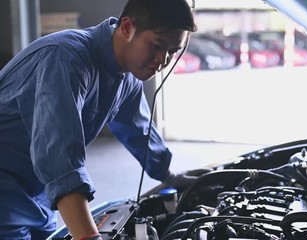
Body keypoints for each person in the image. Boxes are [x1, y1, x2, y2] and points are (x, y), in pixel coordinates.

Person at [0, 0, 198, 239]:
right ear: (127, 28)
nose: (163, 60)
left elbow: (138, 129)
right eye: (157, 46)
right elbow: (60, 160)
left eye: (172, 52)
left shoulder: (127, 77)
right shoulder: (65, 59)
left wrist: (169, 176)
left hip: (37, 194)